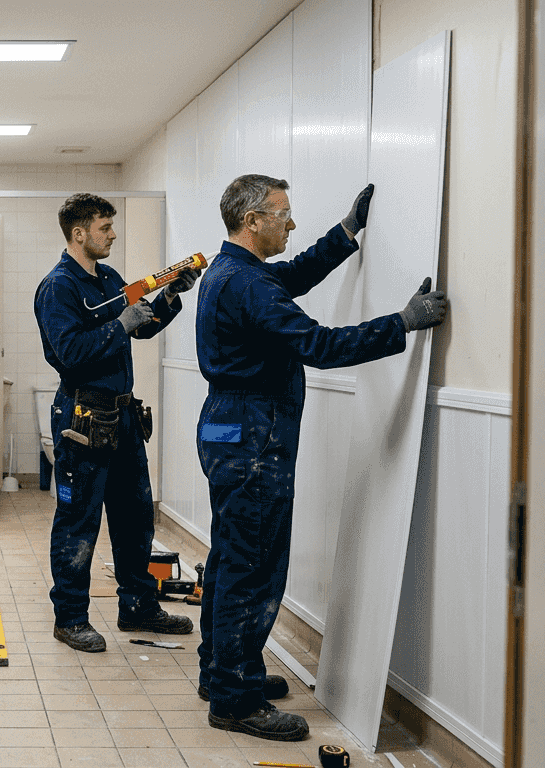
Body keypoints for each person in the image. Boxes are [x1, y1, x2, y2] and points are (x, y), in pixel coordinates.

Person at [194, 175, 449, 741]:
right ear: (252, 221)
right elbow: (319, 346)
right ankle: (235, 698)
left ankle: (223, 673)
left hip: (228, 430)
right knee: (254, 567)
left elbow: (294, 275)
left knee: (231, 558)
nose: (290, 223)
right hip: (254, 441)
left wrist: (346, 232)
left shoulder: (232, 272)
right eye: (282, 214)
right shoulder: (249, 284)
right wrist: (401, 323)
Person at [34, 193, 201, 653]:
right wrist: (118, 326)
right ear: (79, 233)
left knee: (133, 518)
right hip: (82, 418)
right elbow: (69, 353)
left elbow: (143, 324)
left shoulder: (108, 278)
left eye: (112, 226)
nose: (113, 234)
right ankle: (70, 618)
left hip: (123, 416)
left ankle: (138, 606)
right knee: (78, 522)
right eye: (105, 228)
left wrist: (169, 295)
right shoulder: (58, 287)